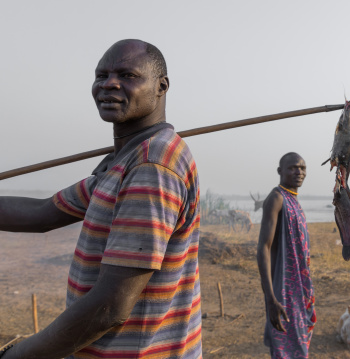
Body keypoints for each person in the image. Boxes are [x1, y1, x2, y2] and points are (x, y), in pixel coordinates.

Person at [0, 39, 201, 359]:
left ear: (161, 86)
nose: (109, 84)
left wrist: (16, 354)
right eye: (101, 75)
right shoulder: (126, 160)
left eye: (128, 75)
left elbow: (110, 306)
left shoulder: (152, 165)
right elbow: (42, 213)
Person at [256, 152, 316, 359]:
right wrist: (270, 298)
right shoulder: (277, 199)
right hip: (283, 292)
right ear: (280, 171)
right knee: (285, 351)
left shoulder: (294, 202)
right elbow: (263, 247)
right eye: (292, 167)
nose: (299, 172)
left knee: (297, 350)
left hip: (300, 291)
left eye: (303, 168)